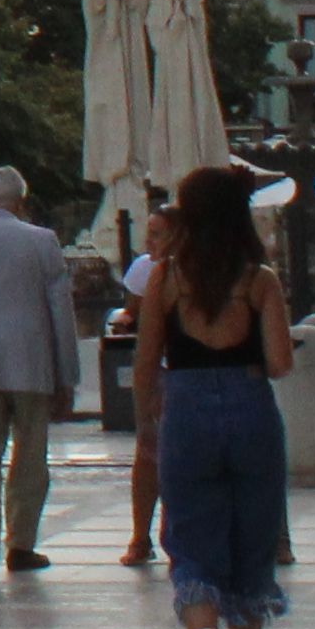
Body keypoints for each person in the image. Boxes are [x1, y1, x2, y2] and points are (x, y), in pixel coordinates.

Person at [142, 161, 294, 629]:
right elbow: (280, 362)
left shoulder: (167, 277)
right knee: (252, 542)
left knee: (190, 540)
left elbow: (145, 361)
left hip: (184, 410)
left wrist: (144, 424)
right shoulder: (259, 279)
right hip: (251, 409)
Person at [0, 166, 76, 580]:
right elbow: (61, 311)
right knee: (30, 456)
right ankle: (21, 544)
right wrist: (68, 377)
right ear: (21, 201)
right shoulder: (42, 241)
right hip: (33, 362)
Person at [117, 198, 177, 564]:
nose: (149, 242)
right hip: (162, 371)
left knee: (170, 456)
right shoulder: (145, 270)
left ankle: (171, 533)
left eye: (157, 235)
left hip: (174, 373)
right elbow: (133, 312)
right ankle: (141, 536)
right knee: (148, 455)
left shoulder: (178, 272)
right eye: (148, 234)